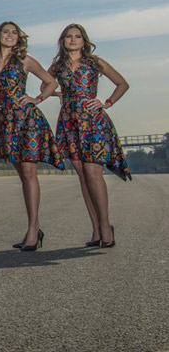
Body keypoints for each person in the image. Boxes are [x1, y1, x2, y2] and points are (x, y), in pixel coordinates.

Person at [0, 21, 64, 252]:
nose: (10, 35)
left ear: (19, 37)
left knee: (29, 174)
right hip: (5, 123)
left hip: (26, 119)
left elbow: (51, 82)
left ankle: (33, 229)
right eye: (5, 32)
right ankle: (33, 229)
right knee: (22, 176)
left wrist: (37, 99)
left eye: (14, 32)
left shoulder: (24, 59)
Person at [49, 24, 131, 248]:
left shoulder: (95, 62)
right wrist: (58, 93)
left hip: (92, 121)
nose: (73, 40)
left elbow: (122, 84)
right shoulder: (57, 66)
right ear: (63, 40)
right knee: (82, 175)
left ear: (84, 41)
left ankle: (105, 227)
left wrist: (107, 103)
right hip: (69, 122)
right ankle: (95, 229)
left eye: (77, 37)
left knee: (93, 173)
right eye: (68, 37)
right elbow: (45, 83)